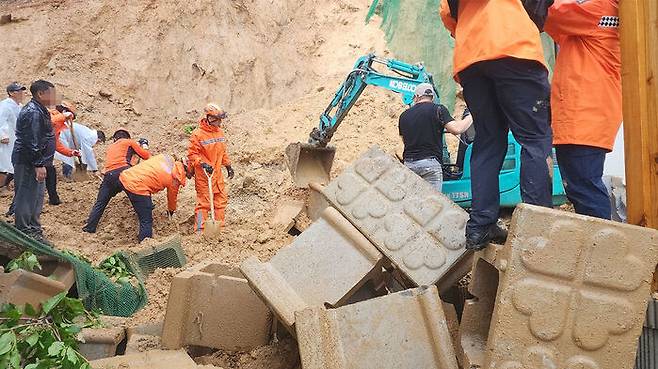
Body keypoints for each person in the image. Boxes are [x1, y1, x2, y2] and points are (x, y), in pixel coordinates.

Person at [441, 0, 554, 250]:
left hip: (471, 58)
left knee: (488, 141)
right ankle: (538, 227)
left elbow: (448, 15)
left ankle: (480, 226)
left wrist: (474, 28)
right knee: (534, 138)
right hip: (514, 46)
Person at [544, 0, 620, 220]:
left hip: (585, 115)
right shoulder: (590, 20)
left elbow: (552, 13)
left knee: (585, 188)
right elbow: (555, 25)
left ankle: (603, 248)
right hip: (583, 116)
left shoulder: (601, 8)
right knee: (580, 188)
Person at [398, 83, 473, 192]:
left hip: (409, 165)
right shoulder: (438, 109)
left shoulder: (404, 115)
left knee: (413, 204)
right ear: (432, 97)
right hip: (430, 165)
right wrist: (472, 116)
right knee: (432, 204)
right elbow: (457, 129)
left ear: (416, 97)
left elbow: (404, 140)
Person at [11, 80, 57, 242]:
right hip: (28, 161)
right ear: (40, 94)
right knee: (26, 195)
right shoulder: (33, 112)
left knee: (36, 196)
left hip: (36, 161)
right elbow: (32, 140)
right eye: (52, 93)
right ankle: (25, 232)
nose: (54, 97)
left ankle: (34, 230)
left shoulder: (40, 110)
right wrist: (38, 164)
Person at [82, 129, 150, 233]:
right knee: (138, 198)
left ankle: (89, 227)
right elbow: (146, 156)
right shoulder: (129, 142)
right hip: (124, 173)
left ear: (114, 139)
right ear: (127, 137)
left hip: (109, 175)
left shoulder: (111, 147)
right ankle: (145, 225)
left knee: (100, 203)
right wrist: (144, 145)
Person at [118, 154, 190, 242]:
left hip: (126, 176)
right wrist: (171, 211)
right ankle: (145, 245)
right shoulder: (176, 178)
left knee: (145, 206)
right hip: (138, 187)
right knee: (146, 220)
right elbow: (172, 197)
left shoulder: (167, 158)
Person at [187, 103, 234, 232]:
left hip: (217, 175)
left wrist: (228, 165)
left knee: (220, 202)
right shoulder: (198, 134)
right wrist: (202, 163)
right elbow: (192, 154)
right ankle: (200, 229)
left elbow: (222, 152)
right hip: (204, 176)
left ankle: (219, 227)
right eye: (218, 119)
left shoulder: (219, 132)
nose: (220, 122)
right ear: (210, 118)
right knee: (204, 204)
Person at [47, 101, 80, 205]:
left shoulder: (58, 124)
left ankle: (54, 199)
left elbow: (56, 144)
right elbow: (49, 122)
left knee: (51, 173)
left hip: (45, 156)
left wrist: (71, 152)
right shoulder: (48, 114)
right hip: (33, 153)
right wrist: (63, 116)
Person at [0, 82, 26, 190]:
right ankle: (2, 187)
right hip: (7, 139)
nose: (21, 93)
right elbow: (1, 120)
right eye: (18, 91)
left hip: (16, 138)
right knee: (5, 163)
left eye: (21, 91)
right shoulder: (5, 105)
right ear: (11, 93)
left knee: (13, 162)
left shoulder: (19, 106)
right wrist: (2, 135)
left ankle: (5, 185)